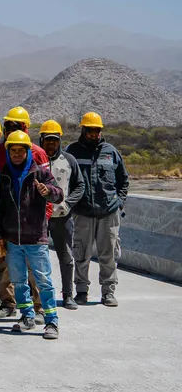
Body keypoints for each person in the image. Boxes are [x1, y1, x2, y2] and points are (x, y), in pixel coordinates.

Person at [0, 131, 63, 341]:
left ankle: (51, 321)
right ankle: (27, 316)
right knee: (19, 280)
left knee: (43, 281)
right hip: (13, 240)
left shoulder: (40, 173)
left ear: (28, 152)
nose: (16, 154)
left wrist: (48, 191)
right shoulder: (4, 175)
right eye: (13, 150)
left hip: (36, 239)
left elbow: (59, 193)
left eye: (20, 151)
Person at [0, 107, 49, 320]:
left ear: (25, 128)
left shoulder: (37, 153)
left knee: (34, 269)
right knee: (6, 267)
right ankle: (8, 303)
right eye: (7, 126)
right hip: (7, 221)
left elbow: (47, 189)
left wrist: (44, 220)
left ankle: (39, 306)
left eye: (16, 126)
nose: (10, 129)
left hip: (32, 225)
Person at [66, 112, 130, 308]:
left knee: (108, 254)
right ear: (83, 130)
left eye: (97, 130)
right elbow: (66, 180)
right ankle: (81, 291)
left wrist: (119, 202)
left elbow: (123, 180)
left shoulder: (111, 152)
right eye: (90, 130)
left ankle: (108, 292)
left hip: (108, 213)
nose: (94, 134)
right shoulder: (72, 152)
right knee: (81, 253)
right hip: (82, 213)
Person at [38, 121, 85, 309]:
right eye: (47, 140)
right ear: (41, 139)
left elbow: (80, 185)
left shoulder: (69, 160)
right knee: (37, 258)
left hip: (61, 217)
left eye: (54, 140)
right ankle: (37, 297)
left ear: (59, 141)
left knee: (66, 256)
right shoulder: (35, 159)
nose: (51, 144)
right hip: (38, 218)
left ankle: (67, 295)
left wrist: (68, 203)